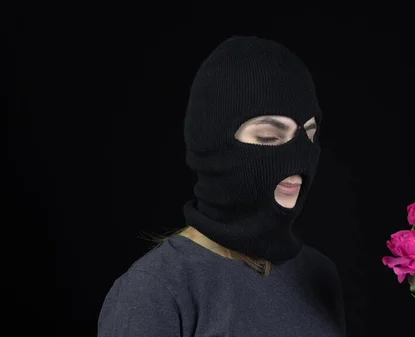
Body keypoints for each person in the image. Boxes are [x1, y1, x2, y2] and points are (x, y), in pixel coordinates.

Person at [97, 36, 346, 337]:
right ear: (212, 145)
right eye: (269, 136)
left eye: (307, 135)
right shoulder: (156, 289)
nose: (297, 158)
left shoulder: (319, 275)